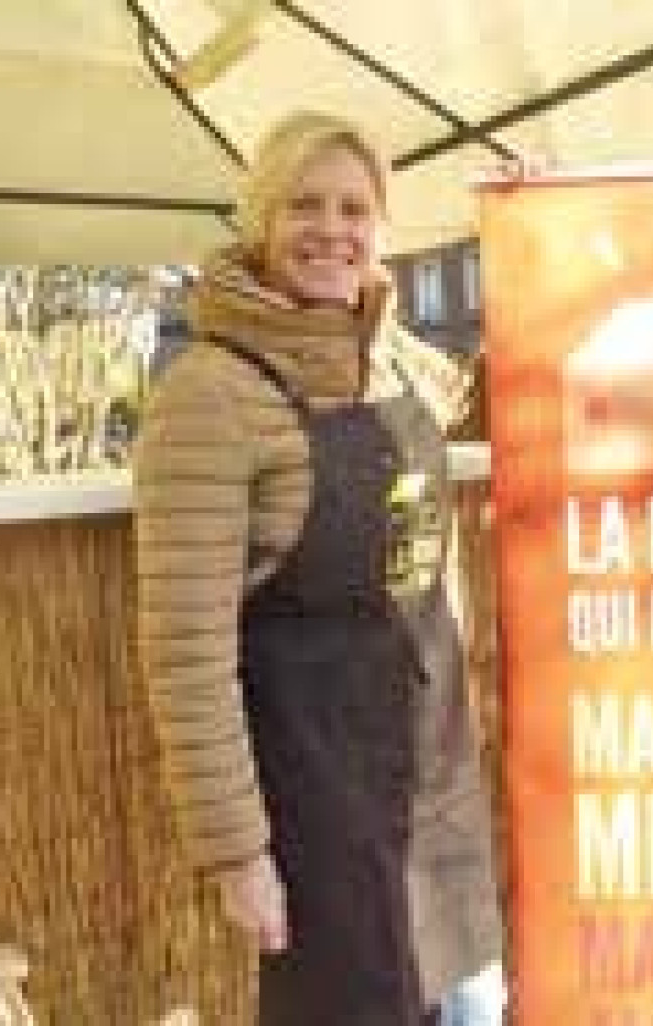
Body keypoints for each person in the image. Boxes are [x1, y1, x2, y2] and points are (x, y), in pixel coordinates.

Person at [133, 111, 503, 1026]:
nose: (331, 230)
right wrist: (239, 856)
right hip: (318, 816)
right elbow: (186, 656)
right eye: (304, 204)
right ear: (260, 218)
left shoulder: (393, 367)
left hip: (436, 787)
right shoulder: (209, 394)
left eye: (354, 207)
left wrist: (536, 217)